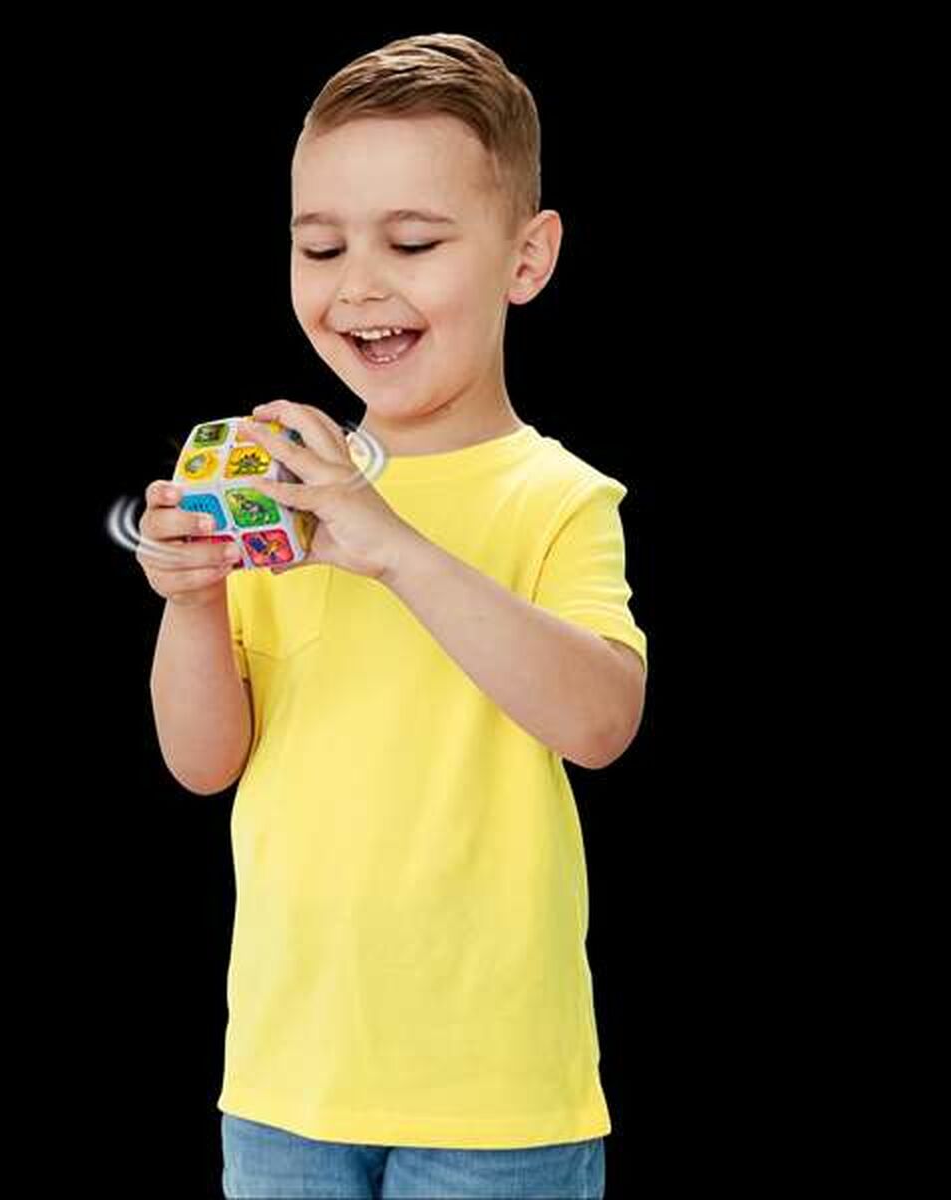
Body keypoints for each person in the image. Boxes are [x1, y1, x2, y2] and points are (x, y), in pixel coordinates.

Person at [138, 32, 646, 1200]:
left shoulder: (556, 495)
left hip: (496, 1097)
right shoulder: (279, 486)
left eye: (412, 242)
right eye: (321, 246)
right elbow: (203, 763)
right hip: (287, 1082)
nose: (357, 284)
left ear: (528, 258)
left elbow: (602, 721)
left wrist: (395, 547)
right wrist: (194, 603)